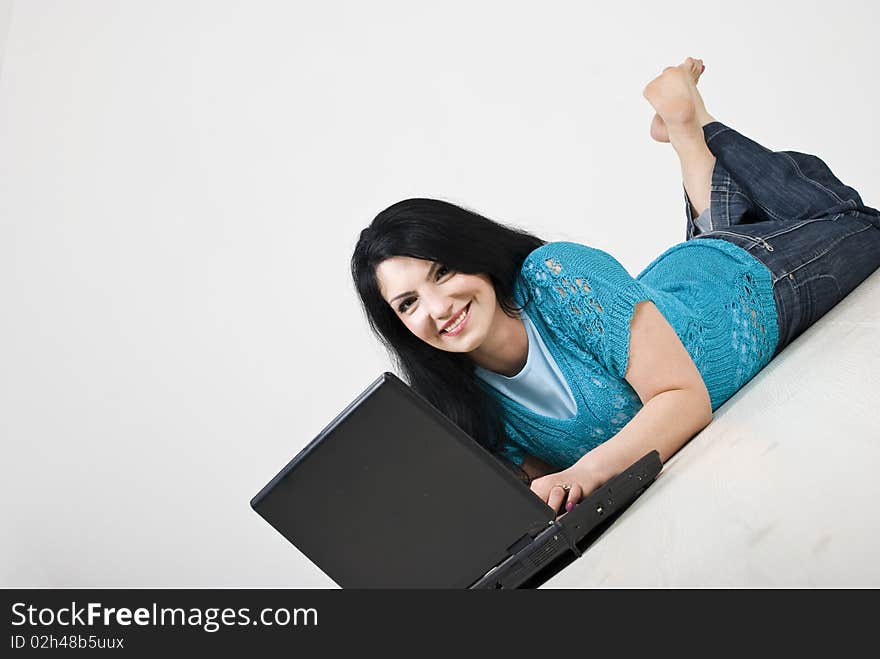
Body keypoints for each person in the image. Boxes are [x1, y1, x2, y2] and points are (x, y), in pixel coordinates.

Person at [350, 58, 880, 516]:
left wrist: (581, 474)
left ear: (478, 258)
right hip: (676, 295)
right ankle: (683, 129)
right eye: (408, 302)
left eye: (443, 272)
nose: (438, 308)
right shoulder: (466, 403)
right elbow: (542, 493)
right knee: (722, 235)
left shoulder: (556, 276)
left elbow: (684, 399)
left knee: (859, 223)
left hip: (750, 285)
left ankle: (698, 126)